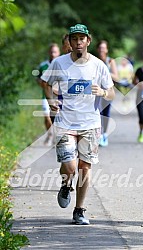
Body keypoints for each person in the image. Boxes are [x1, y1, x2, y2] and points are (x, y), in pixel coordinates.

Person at [41, 24, 115, 225]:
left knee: (85, 167)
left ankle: (79, 210)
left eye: (82, 38)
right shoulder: (59, 63)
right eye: (75, 39)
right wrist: (50, 101)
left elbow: (112, 92)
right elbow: (46, 82)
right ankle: (66, 185)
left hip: (90, 124)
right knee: (71, 166)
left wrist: (102, 93)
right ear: (70, 42)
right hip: (66, 122)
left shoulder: (99, 65)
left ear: (88, 41)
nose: (78, 42)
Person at [37, 43, 60, 146]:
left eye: (55, 52)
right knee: (47, 117)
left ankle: (55, 135)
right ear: (48, 53)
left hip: (58, 96)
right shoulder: (43, 65)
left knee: (56, 117)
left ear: (58, 53)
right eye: (51, 51)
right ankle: (50, 134)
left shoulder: (61, 65)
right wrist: (42, 83)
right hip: (45, 96)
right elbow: (37, 78)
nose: (53, 54)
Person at [96, 40, 118, 147]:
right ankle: (98, 135)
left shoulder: (110, 61)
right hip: (97, 92)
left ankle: (105, 134)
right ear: (97, 49)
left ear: (107, 50)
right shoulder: (94, 61)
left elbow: (116, 77)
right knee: (97, 113)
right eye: (100, 48)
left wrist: (105, 72)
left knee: (106, 113)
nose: (101, 50)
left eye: (103, 48)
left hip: (108, 92)